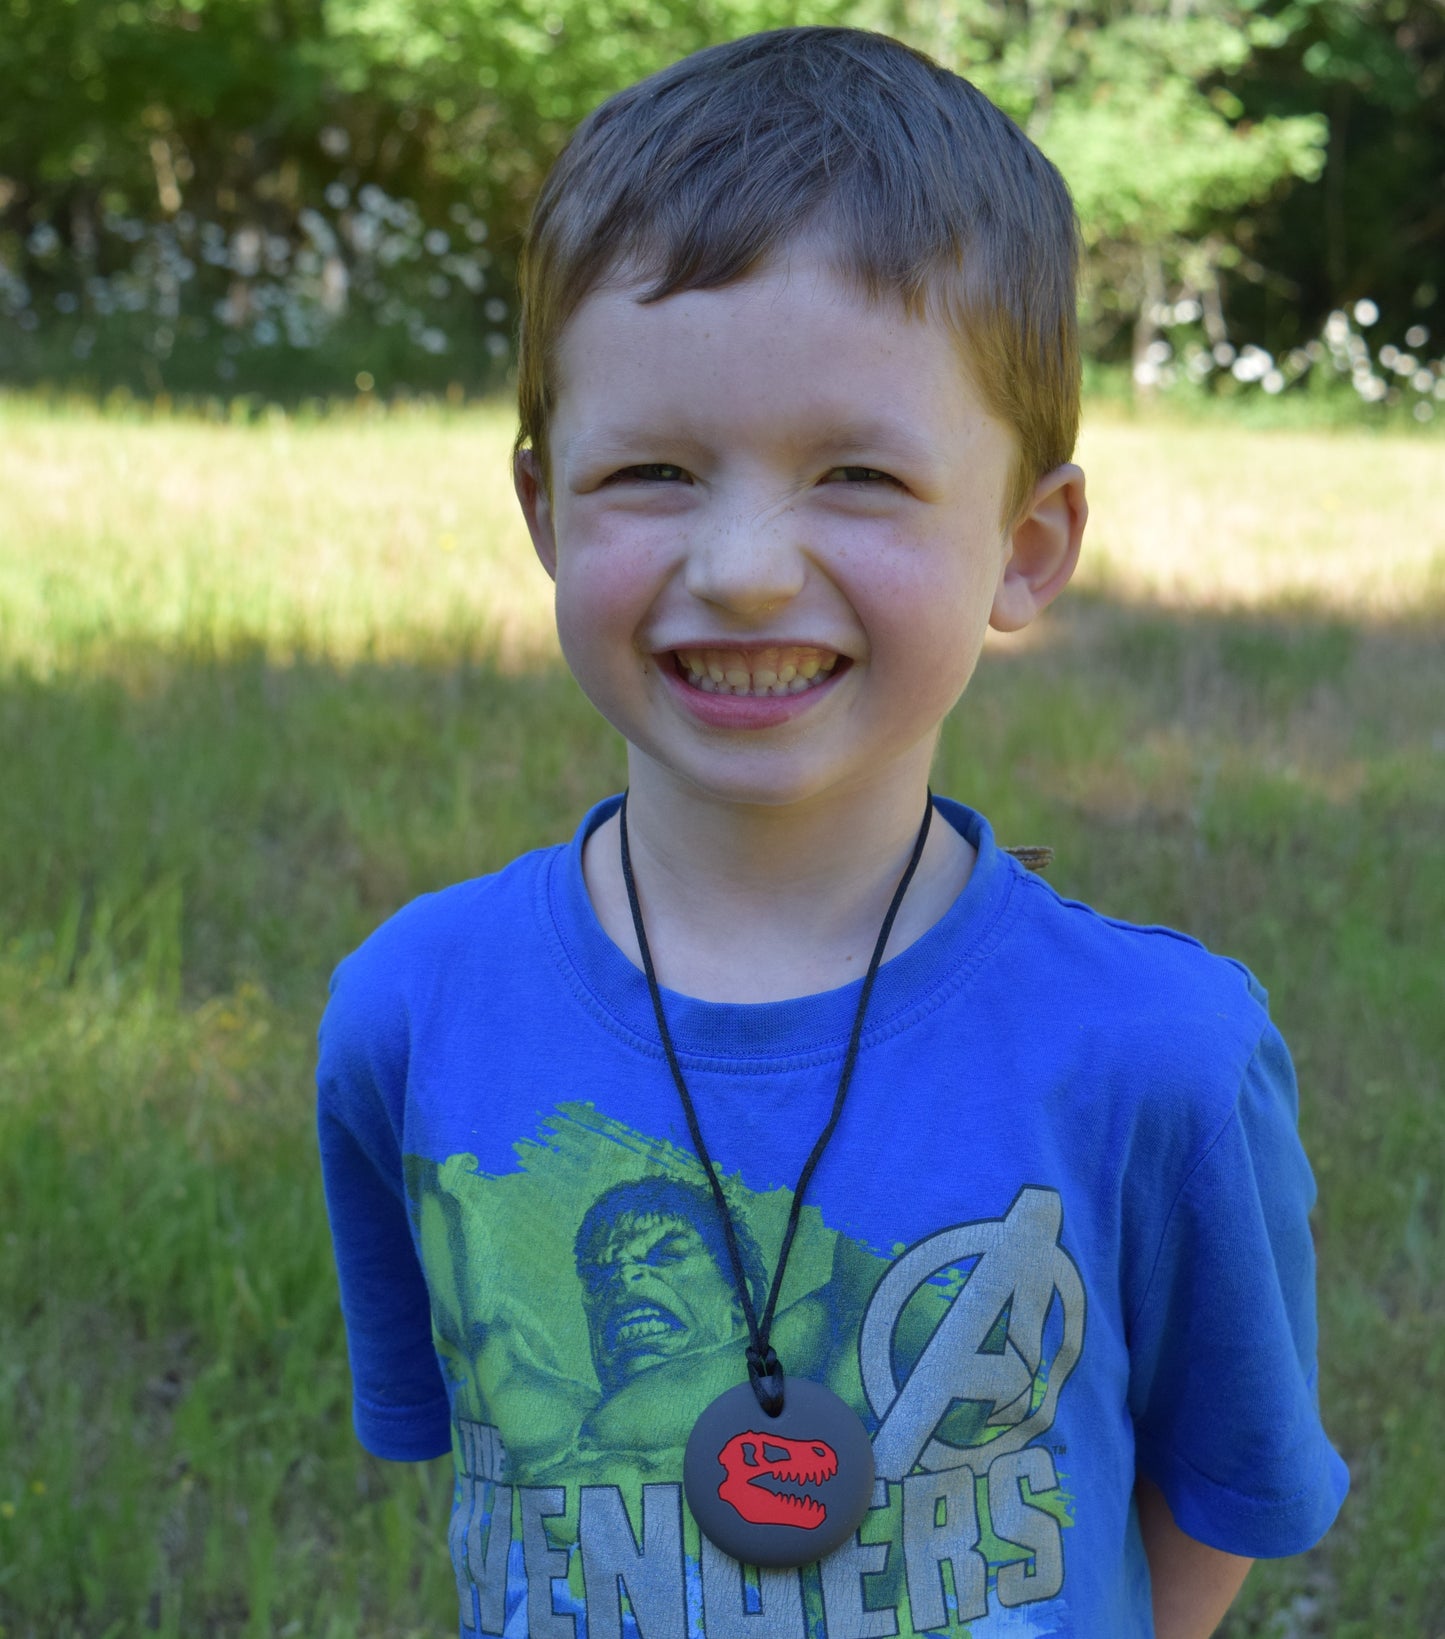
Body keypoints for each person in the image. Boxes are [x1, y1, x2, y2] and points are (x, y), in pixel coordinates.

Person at [317, 26, 1348, 1638]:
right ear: (543, 511)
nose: (738, 566)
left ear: (1022, 545)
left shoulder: (1162, 1058)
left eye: (856, 474)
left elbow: (1214, 1500)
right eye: (651, 471)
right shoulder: (410, 1015)